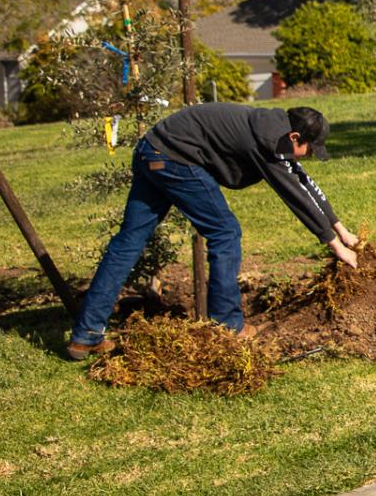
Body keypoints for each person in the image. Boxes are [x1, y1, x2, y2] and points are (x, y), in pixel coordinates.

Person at [68, 104, 359, 359]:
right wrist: (335, 246)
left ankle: (86, 334)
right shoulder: (271, 141)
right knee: (225, 233)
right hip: (176, 159)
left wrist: (340, 230)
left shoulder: (275, 129)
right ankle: (229, 327)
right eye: (308, 149)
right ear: (295, 138)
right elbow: (293, 195)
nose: (306, 156)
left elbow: (302, 182)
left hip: (152, 148)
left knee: (127, 244)